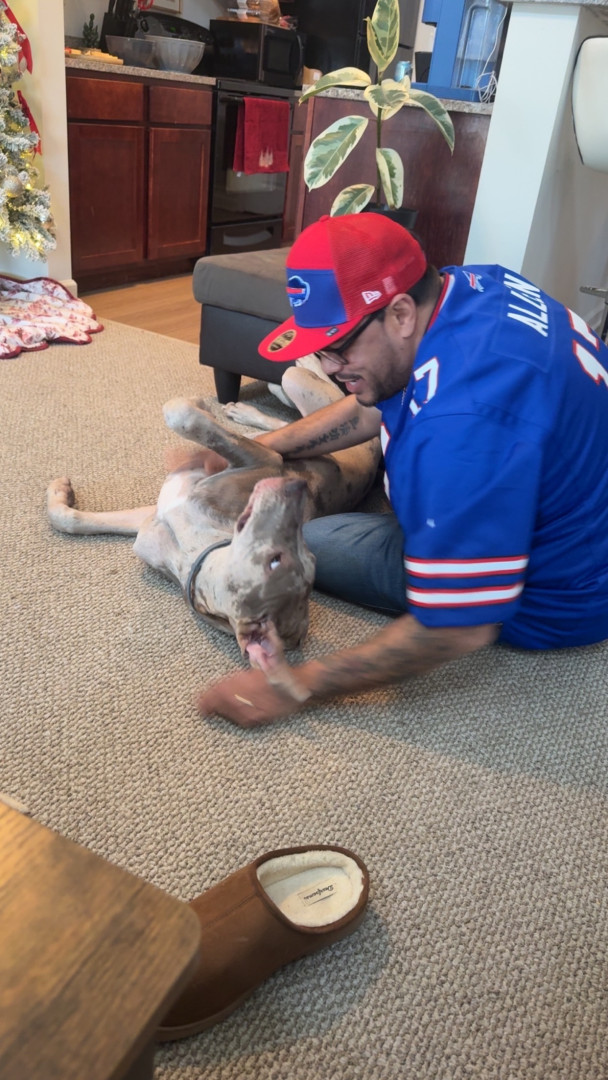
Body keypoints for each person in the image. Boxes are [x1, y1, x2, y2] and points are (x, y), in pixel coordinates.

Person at [198, 212, 608, 727]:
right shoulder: (476, 286)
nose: (329, 368)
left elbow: (459, 627)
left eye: (338, 347)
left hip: (562, 593)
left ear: (400, 314)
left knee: (314, 541)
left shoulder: (459, 431)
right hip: (577, 508)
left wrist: (298, 686)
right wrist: (259, 448)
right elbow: (372, 404)